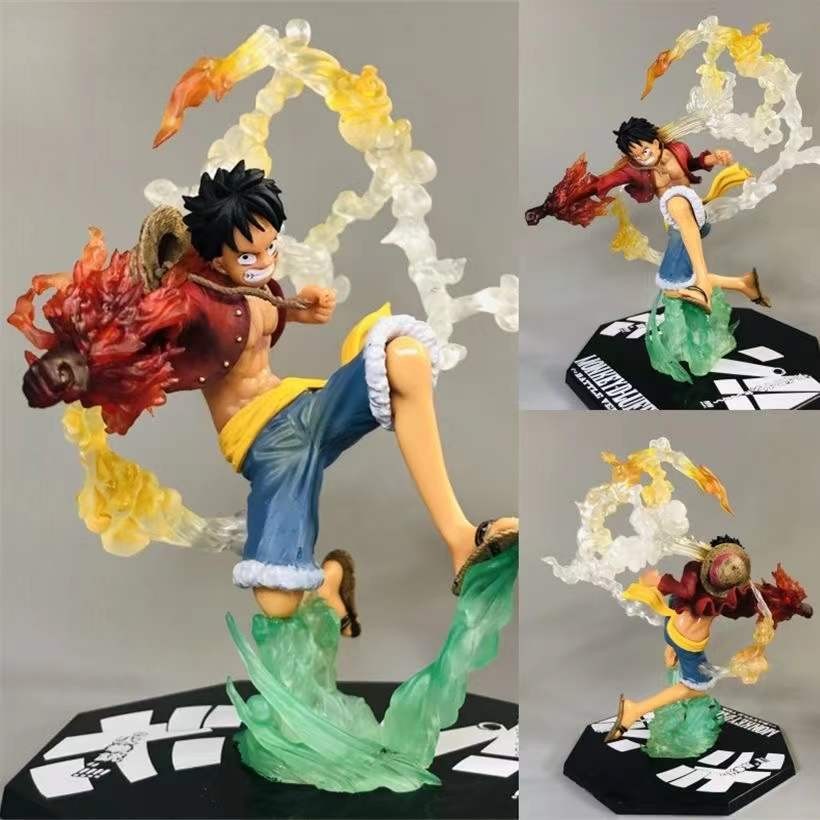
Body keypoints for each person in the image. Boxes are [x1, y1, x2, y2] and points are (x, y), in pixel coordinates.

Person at [16, 160, 518, 635]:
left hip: (306, 408)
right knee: (277, 602)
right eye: (248, 255)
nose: (263, 261)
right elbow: (121, 334)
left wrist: (301, 310)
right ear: (216, 256)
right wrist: (66, 367)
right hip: (265, 444)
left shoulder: (259, 287)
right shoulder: (188, 300)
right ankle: (327, 584)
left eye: (270, 247)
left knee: (403, 358)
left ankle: (460, 536)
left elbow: (262, 314)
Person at [526, 117, 770, 314]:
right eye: (637, 155)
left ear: (655, 142)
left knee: (676, 201)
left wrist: (713, 158)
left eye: (645, 150)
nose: (644, 157)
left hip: (692, 211)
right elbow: (596, 185)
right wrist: (547, 208)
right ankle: (742, 284)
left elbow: (691, 164)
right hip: (677, 224)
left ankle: (704, 286)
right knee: (672, 287)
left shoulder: (677, 149)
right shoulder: (633, 170)